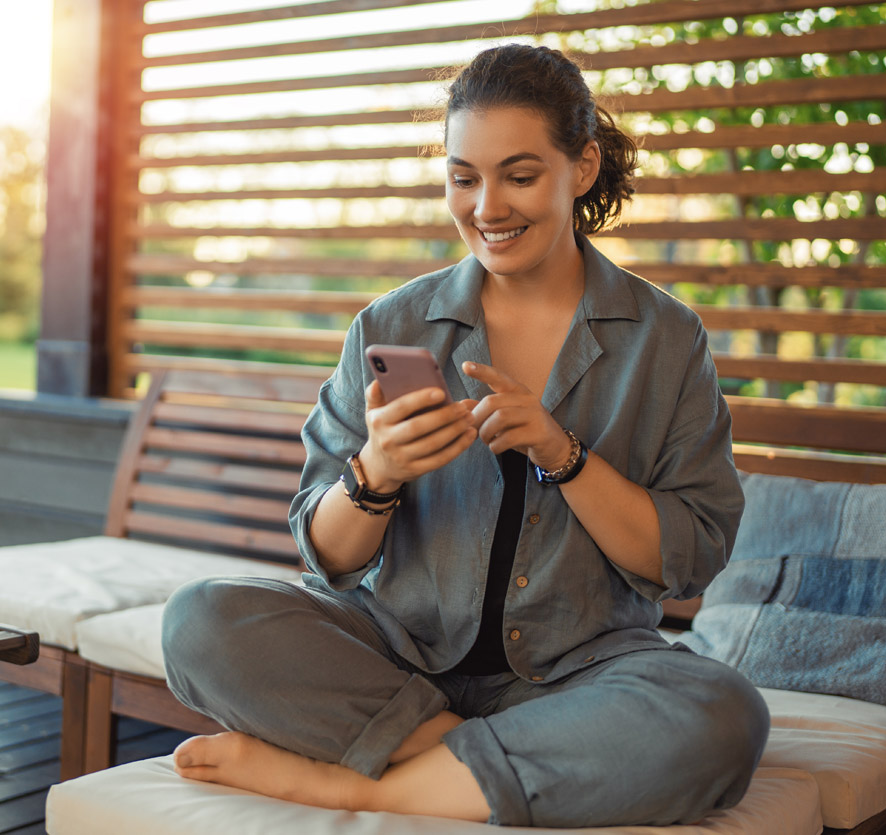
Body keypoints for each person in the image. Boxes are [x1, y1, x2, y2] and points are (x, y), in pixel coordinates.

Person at [162, 43, 769, 828]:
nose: (487, 207)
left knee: (724, 713)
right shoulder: (390, 324)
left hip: (577, 675)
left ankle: (357, 786)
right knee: (200, 619)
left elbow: (687, 559)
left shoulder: (666, 338)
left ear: (582, 166)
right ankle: (473, 759)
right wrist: (376, 472)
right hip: (395, 655)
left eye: (519, 176)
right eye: (463, 178)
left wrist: (562, 454)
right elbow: (328, 556)